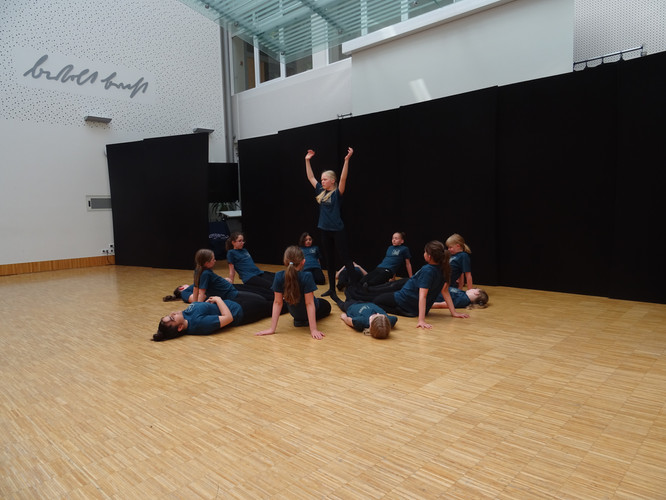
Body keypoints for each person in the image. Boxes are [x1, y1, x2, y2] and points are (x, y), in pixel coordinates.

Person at [371, 240, 469, 328]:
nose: (424, 254)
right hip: (411, 303)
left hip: (405, 301)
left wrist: (421, 320)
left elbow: (423, 296)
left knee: (376, 301)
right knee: (383, 296)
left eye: (425, 252)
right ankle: (406, 310)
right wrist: (454, 312)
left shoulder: (428, 270)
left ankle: (404, 311)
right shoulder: (445, 268)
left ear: (429, 256)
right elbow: (445, 291)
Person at [305, 147, 358, 299]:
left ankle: (356, 289)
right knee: (329, 260)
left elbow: (343, 179)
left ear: (332, 181)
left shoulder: (336, 193)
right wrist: (307, 160)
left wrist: (346, 161)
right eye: (321, 179)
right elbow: (310, 177)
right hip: (324, 230)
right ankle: (332, 290)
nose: (322, 181)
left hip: (337, 230)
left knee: (346, 258)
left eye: (325, 179)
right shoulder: (321, 191)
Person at [256, 246, 331, 340]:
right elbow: (309, 303)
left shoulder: (279, 275)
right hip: (308, 310)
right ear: (303, 261)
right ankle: (305, 320)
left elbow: (277, 303)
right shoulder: (307, 276)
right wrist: (313, 330)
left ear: (285, 261)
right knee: (326, 305)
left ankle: (301, 320)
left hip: (295, 314)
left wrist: (272, 329)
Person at [153, 294, 273, 341]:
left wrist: (208, 304)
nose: (172, 313)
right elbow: (228, 318)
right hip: (242, 311)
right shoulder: (199, 324)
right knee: (274, 305)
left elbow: (201, 309)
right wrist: (218, 300)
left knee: (269, 297)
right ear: (179, 327)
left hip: (233, 302)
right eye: (172, 318)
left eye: (169, 315)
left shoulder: (184, 316)